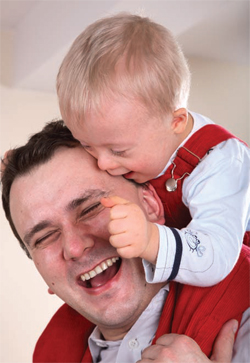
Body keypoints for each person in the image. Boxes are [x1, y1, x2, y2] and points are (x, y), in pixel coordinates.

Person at [1, 121, 249, 362]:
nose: (74, 248)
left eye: (90, 208)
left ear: (151, 205)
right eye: (45, 237)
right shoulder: (48, 355)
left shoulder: (244, 303)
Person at [56, 12, 250, 287]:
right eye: (88, 146)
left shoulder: (220, 160)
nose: (102, 163)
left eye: (118, 151)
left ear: (176, 122)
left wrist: (150, 239)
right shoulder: (131, 136)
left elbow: (215, 257)